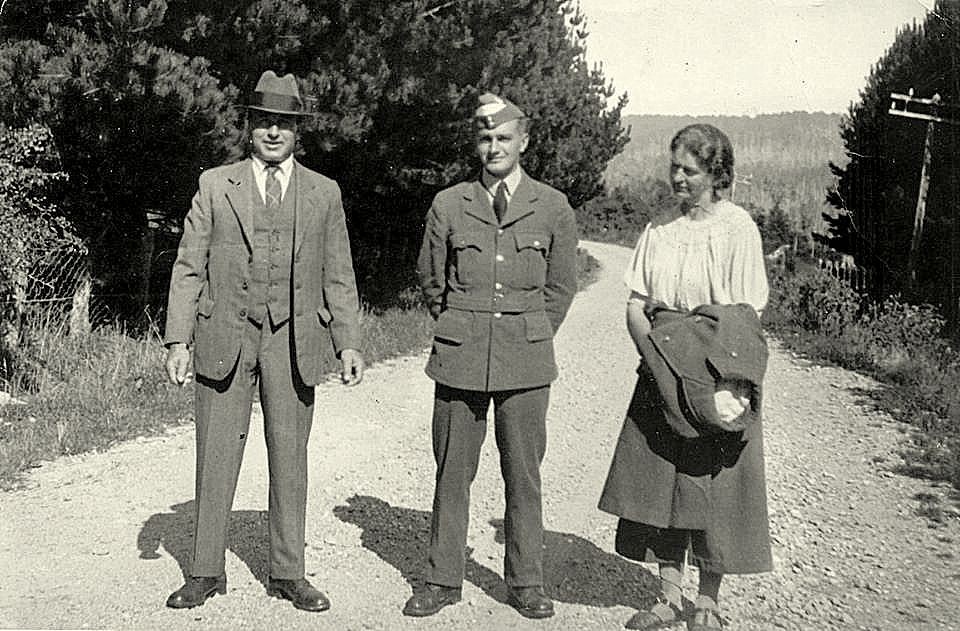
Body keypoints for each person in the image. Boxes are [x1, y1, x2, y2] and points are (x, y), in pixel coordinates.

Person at [163, 70, 364, 612]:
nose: (273, 132)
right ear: (248, 127)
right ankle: (205, 570)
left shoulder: (324, 193)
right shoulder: (215, 184)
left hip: (294, 340)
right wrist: (177, 339)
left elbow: (339, 273)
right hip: (223, 334)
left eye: (285, 124)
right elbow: (188, 267)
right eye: (264, 122)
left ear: (298, 132)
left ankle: (288, 572)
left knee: (290, 455)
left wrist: (347, 341)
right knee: (216, 454)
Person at [403, 93, 578, 619]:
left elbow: (561, 289)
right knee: (452, 469)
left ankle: (525, 580)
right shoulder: (449, 203)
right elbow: (432, 279)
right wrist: (461, 323)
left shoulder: (552, 206)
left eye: (504, 138)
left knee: (523, 472)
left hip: (525, 360)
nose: (494, 147)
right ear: (475, 144)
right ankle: (441, 578)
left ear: (523, 141)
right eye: (485, 138)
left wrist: (530, 332)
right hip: (460, 354)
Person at [598, 124, 772, 631]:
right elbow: (635, 305)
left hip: (720, 365)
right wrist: (652, 358)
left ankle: (708, 602)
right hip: (663, 360)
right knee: (664, 479)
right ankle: (668, 596)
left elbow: (747, 312)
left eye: (689, 171)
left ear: (717, 176)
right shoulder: (658, 229)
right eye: (673, 167)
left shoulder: (738, 228)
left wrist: (731, 382)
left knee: (715, 481)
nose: (677, 178)